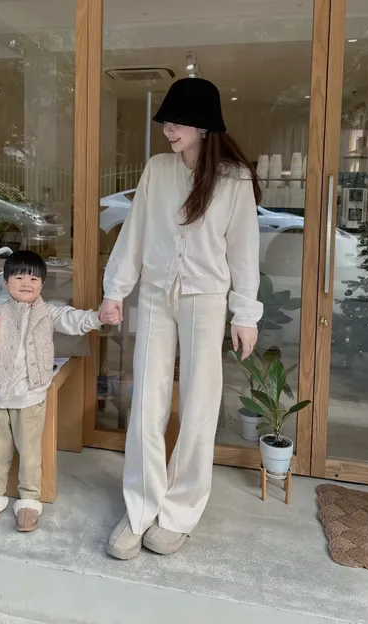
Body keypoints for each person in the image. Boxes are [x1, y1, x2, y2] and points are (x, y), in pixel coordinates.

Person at [100, 77, 262, 560]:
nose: (169, 129)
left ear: (205, 126)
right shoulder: (157, 169)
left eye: (179, 122)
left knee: (199, 404)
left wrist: (245, 313)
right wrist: (115, 291)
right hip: (154, 295)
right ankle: (140, 508)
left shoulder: (234, 179)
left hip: (206, 300)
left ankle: (180, 511)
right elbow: (134, 232)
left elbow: (244, 250)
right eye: (166, 122)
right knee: (146, 401)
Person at [0, 250, 101, 533]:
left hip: (31, 396)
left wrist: (98, 317)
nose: (26, 283)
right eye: (19, 277)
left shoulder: (48, 312)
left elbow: (73, 320)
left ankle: (29, 499)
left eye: (33, 278)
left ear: (42, 283)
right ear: (6, 283)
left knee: (30, 452)